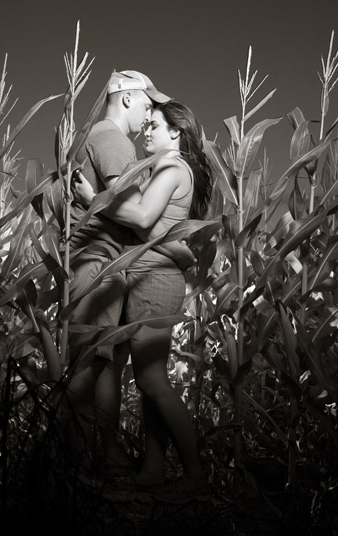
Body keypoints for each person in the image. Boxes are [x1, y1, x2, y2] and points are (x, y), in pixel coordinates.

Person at [73, 100, 212, 499]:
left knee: (152, 379)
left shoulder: (171, 166)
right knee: (150, 378)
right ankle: (153, 468)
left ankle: (196, 476)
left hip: (156, 280)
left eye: (154, 125)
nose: (145, 131)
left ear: (176, 132)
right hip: (148, 276)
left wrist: (92, 202)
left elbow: (142, 219)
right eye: (145, 124)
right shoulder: (167, 168)